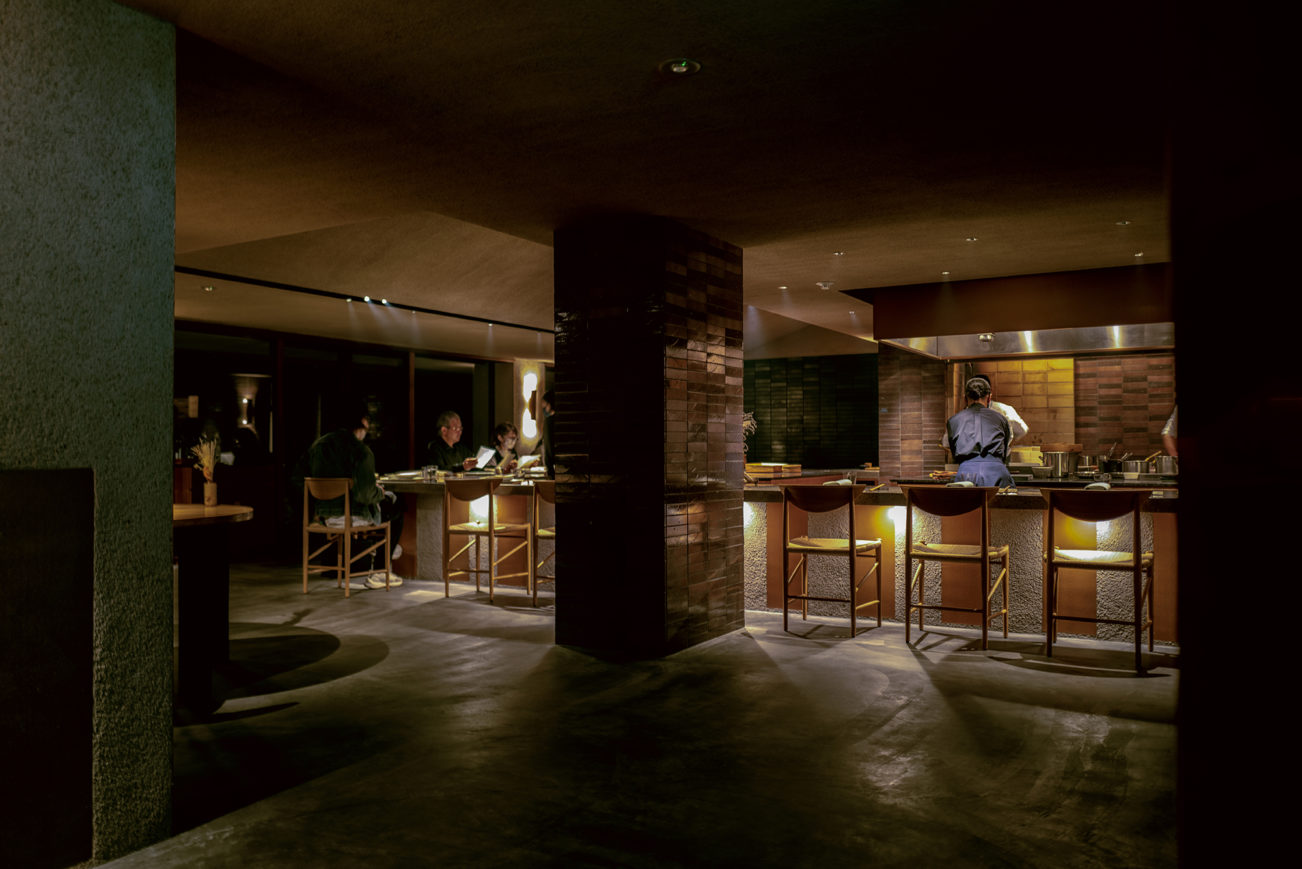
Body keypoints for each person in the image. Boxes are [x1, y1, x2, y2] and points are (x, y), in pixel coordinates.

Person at [292, 409, 404, 588]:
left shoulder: (317, 446)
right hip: (352, 517)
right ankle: (380, 571)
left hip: (324, 518)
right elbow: (364, 495)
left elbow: (298, 480)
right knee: (395, 507)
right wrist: (380, 493)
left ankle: (379, 554)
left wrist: (317, 506)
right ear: (361, 425)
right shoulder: (361, 451)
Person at [946, 376, 1015, 487]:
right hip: (997, 472)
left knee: (967, 499)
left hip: (966, 474)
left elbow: (954, 453)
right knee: (1001, 499)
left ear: (965, 399)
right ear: (989, 398)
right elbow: (1005, 449)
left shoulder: (953, 421)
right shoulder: (1001, 419)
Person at [540, 390, 556, 478]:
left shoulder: (549, 422)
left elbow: (548, 447)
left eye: (544, 404)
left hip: (553, 469)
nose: (543, 407)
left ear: (549, 404)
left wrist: (549, 469)